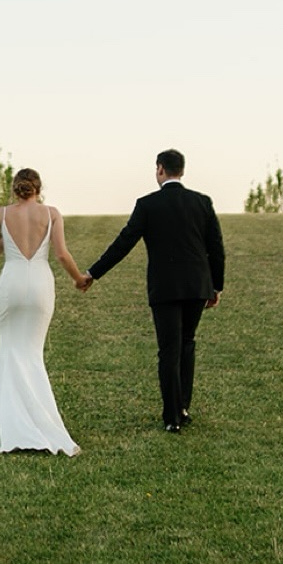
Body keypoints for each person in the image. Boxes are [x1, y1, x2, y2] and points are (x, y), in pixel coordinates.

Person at [80, 149, 225, 432]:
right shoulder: (202, 202)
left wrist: (93, 273)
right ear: (181, 171)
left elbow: (123, 244)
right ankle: (182, 406)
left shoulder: (147, 205)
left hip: (165, 288)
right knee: (187, 343)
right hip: (197, 285)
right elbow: (216, 249)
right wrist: (216, 285)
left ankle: (172, 417)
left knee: (168, 350)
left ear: (160, 169)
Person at [0, 168, 84, 456]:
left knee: (11, 349)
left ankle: (14, 425)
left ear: (15, 189)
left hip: (12, 283)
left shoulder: (2, 214)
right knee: (32, 353)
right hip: (40, 283)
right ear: (39, 189)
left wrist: (6, 238)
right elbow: (62, 254)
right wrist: (79, 279)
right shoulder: (51, 213)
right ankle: (41, 421)